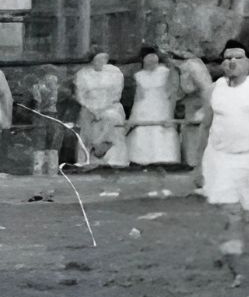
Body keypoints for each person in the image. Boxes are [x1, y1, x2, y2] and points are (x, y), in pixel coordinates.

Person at [198, 39, 249, 287]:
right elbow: (205, 127)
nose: (231, 62)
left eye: (237, 57)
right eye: (226, 58)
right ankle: (237, 274)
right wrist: (197, 166)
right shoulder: (214, 90)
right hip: (222, 160)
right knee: (232, 216)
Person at [126, 47, 181, 197]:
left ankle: (162, 185)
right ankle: (151, 186)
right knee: (146, 151)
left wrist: (170, 116)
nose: (151, 59)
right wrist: (132, 118)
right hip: (144, 111)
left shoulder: (166, 72)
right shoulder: (139, 75)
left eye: (154, 56)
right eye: (148, 57)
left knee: (160, 150)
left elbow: (172, 95)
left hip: (161, 109)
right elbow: (138, 97)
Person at [74, 50, 129, 171]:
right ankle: (88, 160)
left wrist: (105, 107)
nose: (101, 62)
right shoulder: (83, 74)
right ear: (92, 60)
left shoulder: (114, 72)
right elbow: (80, 95)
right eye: (98, 59)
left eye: (104, 59)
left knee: (111, 118)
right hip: (89, 106)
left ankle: (113, 159)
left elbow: (116, 93)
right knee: (86, 123)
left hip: (110, 105)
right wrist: (92, 108)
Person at [173, 47, 213, 195]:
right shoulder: (182, 69)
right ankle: (198, 179)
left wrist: (204, 110)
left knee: (200, 143)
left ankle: (205, 180)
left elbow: (205, 89)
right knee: (191, 142)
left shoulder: (192, 67)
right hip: (191, 107)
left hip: (201, 107)